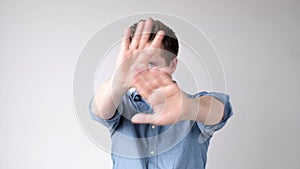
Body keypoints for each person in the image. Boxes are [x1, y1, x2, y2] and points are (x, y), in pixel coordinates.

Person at [89, 18, 233, 169]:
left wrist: (191, 109)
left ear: (172, 65)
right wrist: (117, 82)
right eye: (135, 65)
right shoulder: (121, 105)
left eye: (152, 64)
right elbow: (99, 109)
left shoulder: (193, 105)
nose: (142, 73)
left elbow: (219, 111)